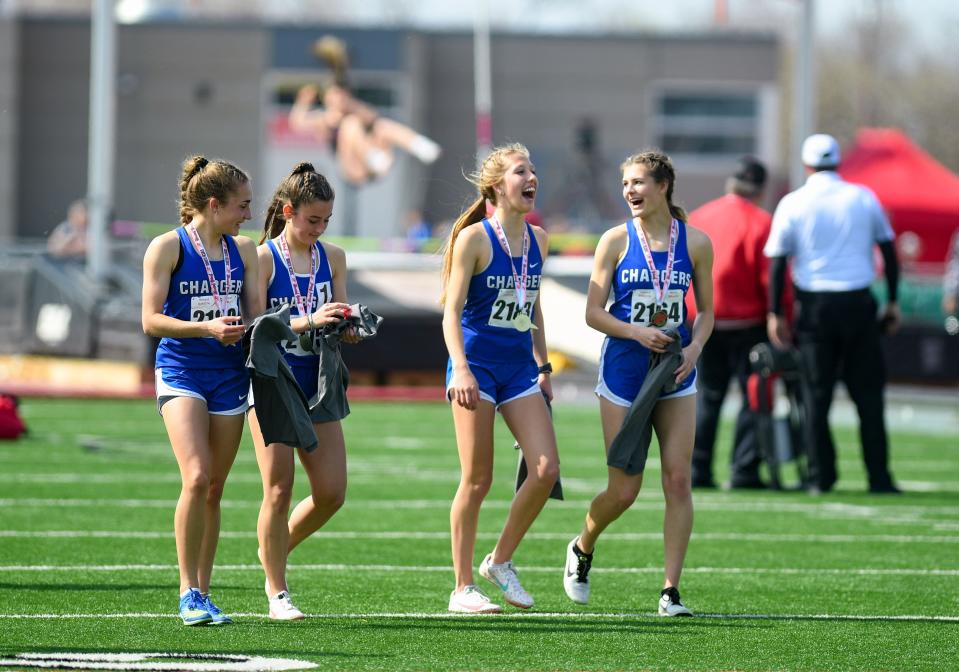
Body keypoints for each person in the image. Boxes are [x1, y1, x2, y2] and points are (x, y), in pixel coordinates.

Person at [563, 149, 714, 617]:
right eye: (626, 183)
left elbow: (706, 311)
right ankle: (582, 545)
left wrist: (692, 350)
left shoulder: (696, 243)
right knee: (624, 490)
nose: (630, 191)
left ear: (663, 186)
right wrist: (634, 331)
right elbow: (592, 312)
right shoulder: (614, 240)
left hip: (675, 371)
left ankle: (671, 590)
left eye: (639, 182)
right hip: (624, 372)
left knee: (679, 479)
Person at [441, 143, 559, 614]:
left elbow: (533, 307)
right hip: (476, 367)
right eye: (520, 172)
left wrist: (544, 365)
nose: (531, 179)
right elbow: (449, 313)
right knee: (478, 478)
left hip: (518, 369)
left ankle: (500, 560)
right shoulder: (474, 239)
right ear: (496, 186)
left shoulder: (540, 240)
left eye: (533, 171)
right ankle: (462, 587)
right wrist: (462, 369)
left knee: (546, 471)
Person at [141, 156, 259, 625]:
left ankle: (204, 593)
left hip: (230, 375)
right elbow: (150, 320)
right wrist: (205, 328)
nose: (248, 214)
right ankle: (187, 590)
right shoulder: (166, 248)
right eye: (242, 205)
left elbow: (254, 317)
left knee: (214, 488)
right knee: (195, 476)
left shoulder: (244, 250)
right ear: (214, 204)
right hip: (182, 370)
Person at [246, 162, 355, 621]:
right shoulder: (263, 257)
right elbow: (257, 326)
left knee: (332, 492)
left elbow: (339, 315)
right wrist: (310, 319)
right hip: (274, 380)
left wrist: (350, 326)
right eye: (312, 220)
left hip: (320, 379)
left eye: (326, 220)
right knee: (279, 488)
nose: (320, 228)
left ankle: (273, 549)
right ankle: (277, 591)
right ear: (288, 211)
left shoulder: (334, 256)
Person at [765, 133, 900, 495]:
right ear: (838, 161)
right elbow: (888, 251)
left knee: (816, 396)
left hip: (815, 310)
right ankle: (879, 478)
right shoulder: (863, 197)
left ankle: (820, 476)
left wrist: (775, 312)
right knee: (869, 396)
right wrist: (892, 302)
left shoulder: (793, 202)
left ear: (807, 164)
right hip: (859, 304)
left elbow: (778, 263)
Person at [688, 156, 773, 489]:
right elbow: (769, 278)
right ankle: (744, 469)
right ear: (760, 189)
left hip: (703, 321)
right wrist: (780, 317)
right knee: (753, 396)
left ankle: (698, 469)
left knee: (707, 396)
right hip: (748, 322)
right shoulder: (762, 222)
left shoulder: (700, 216)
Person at [289, 35, 441, 186]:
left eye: (343, 95)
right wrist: (303, 102)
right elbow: (297, 122)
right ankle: (372, 157)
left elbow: (372, 116)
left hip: (376, 162)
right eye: (336, 95)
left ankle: (418, 145)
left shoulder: (354, 109)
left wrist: (351, 105)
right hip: (352, 168)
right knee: (350, 124)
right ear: (328, 98)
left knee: (382, 125)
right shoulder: (324, 119)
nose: (340, 99)